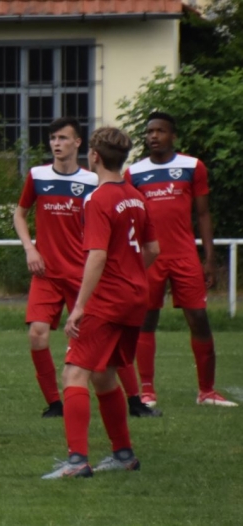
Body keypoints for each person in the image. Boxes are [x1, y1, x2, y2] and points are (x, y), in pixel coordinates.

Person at [43, 127, 159, 479]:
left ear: (94, 156)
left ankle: (77, 461)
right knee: (104, 374)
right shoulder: (137, 197)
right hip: (135, 298)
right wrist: (130, 275)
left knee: (74, 373)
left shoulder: (97, 199)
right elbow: (153, 249)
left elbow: (97, 255)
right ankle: (124, 455)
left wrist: (79, 307)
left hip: (107, 300)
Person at [117, 112, 237, 409]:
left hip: (184, 255)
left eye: (160, 131)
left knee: (199, 319)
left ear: (173, 136)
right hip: (150, 256)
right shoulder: (134, 173)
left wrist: (209, 259)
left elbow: (203, 214)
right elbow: (131, 218)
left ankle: (206, 391)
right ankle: (147, 391)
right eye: (149, 132)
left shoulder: (192, 166)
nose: (153, 136)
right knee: (146, 320)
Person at [12, 117, 111, 418]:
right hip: (46, 274)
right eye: (53, 138)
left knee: (90, 342)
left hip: (82, 275)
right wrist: (30, 248)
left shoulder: (93, 181)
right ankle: (55, 403)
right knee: (37, 334)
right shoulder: (38, 175)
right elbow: (19, 214)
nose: (57, 143)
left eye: (63, 138)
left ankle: (132, 399)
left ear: (78, 143)